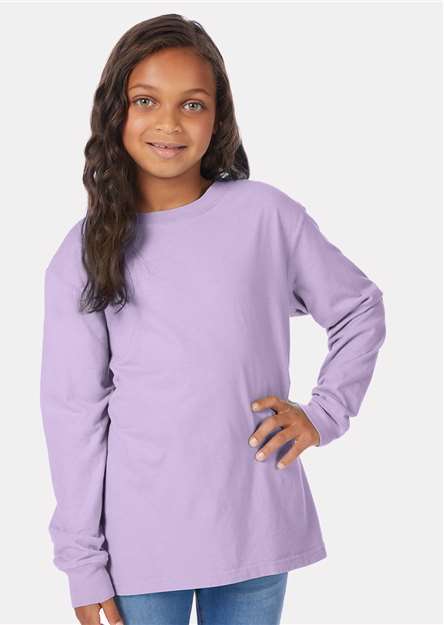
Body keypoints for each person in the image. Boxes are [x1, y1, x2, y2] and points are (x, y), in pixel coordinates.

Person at [40, 13, 386, 625]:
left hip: (255, 530)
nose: (169, 123)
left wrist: (324, 413)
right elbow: (73, 415)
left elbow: (358, 306)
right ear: (117, 111)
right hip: (141, 546)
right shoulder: (85, 252)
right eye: (146, 100)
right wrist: (82, 564)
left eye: (192, 104)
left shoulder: (265, 217)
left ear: (218, 117)